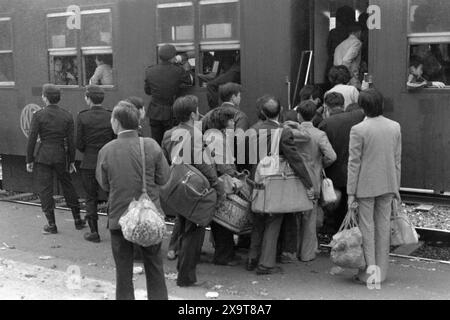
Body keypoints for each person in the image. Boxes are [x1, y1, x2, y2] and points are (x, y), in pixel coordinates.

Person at [96, 101, 169, 300]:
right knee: (154, 265)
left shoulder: (106, 150)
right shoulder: (151, 145)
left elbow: (103, 184)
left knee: (123, 270)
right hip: (149, 218)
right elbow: (164, 178)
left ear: (117, 122)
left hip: (120, 217)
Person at [161, 95, 225, 287]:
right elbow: (205, 166)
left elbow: (166, 159)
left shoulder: (168, 134)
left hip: (177, 186)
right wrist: (218, 187)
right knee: (194, 232)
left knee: (184, 224)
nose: (199, 113)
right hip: (195, 189)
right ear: (192, 114)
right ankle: (186, 278)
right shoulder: (196, 135)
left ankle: (181, 267)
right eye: (197, 110)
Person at [247, 95, 315, 275]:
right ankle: (266, 264)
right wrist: (308, 183)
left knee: (258, 219)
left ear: (262, 112)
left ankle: (252, 258)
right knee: (274, 220)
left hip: (256, 178)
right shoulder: (283, 132)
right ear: (282, 110)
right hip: (275, 181)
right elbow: (295, 159)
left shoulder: (253, 130)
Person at [348, 89, 401, 285]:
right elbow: (397, 160)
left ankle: (369, 276)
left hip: (365, 186)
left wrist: (350, 192)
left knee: (367, 230)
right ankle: (382, 273)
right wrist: (396, 187)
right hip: (388, 184)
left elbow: (354, 163)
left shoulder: (358, 130)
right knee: (383, 229)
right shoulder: (395, 126)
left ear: (362, 107)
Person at [26, 84, 85, 234]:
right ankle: (77, 220)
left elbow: (32, 139)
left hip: (43, 156)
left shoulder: (38, 115)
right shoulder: (67, 115)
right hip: (60, 156)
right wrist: (71, 160)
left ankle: (51, 224)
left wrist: (29, 160)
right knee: (68, 186)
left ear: (45, 98)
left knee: (45, 189)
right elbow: (71, 142)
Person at [318, 92, 365, 234]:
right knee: (349, 204)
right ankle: (351, 232)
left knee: (336, 208)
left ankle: (338, 234)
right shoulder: (355, 119)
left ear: (326, 106)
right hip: (354, 169)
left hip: (334, 172)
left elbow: (323, 151)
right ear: (343, 104)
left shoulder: (326, 123)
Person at [296, 101, 336, 261]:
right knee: (309, 218)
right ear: (314, 116)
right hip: (313, 179)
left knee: (294, 218)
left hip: (293, 179)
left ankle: (291, 251)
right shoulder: (319, 135)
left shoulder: (291, 132)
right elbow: (332, 156)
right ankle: (307, 253)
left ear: (298, 115)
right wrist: (320, 164)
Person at [76, 85, 115, 243]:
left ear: (88, 99)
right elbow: (114, 139)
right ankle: (114, 228)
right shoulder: (110, 115)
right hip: (108, 162)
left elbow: (79, 143)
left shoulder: (82, 117)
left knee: (90, 198)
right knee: (112, 195)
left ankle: (94, 232)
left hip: (89, 162)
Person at [205, 107, 242, 266]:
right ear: (225, 122)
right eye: (232, 120)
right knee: (224, 218)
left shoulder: (209, 134)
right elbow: (223, 165)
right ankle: (224, 256)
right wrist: (235, 176)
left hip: (212, 180)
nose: (234, 123)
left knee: (218, 219)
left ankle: (224, 252)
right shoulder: (218, 138)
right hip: (221, 181)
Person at [145, 44, 193, 145]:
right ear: (173, 57)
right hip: (170, 112)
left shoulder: (150, 70)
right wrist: (187, 68)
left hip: (154, 112)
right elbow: (190, 81)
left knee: (156, 141)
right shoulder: (178, 70)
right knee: (171, 142)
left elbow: (147, 91)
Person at [326, 5, 356, 81]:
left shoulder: (333, 33)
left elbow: (329, 50)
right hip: (351, 69)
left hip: (333, 67)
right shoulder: (354, 33)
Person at [334, 23, 363, 89]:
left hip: (337, 77)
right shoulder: (357, 42)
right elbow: (347, 59)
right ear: (358, 32)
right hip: (349, 76)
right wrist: (347, 75)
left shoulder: (340, 44)